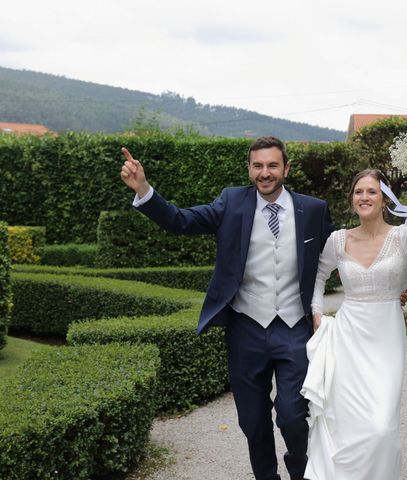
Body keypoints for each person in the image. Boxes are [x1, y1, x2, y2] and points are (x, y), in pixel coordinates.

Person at [120, 136, 333, 480]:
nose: (265, 173)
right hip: (246, 327)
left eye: (272, 165)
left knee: (294, 415)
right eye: (258, 166)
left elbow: (340, 253)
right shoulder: (231, 202)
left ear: (286, 168)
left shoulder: (313, 209)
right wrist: (144, 189)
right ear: (249, 169)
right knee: (252, 421)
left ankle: (301, 472)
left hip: (295, 327)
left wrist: (382, 286)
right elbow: (180, 221)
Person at [301, 169, 407, 480]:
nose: (365, 197)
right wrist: (316, 312)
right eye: (359, 192)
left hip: (386, 339)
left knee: (382, 427)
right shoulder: (338, 239)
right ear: (351, 199)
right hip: (347, 338)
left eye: (372, 192)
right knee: (346, 424)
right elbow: (317, 276)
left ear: (384, 200)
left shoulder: (403, 237)